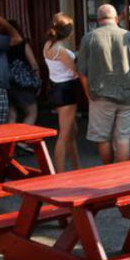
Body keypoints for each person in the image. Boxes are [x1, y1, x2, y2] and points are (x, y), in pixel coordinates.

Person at [77, 4, 130, 164]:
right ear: (116, 18)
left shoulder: (89, 38)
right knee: (123, 137)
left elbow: (82, 72)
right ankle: (121, 174)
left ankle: (108, 171)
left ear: (97, 20)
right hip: (128, 94)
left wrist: (88, 94)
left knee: (103, 138)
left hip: (100, 95)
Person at [43, 13, 82, 172]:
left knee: (72, 131)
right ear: (69, 32)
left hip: (56, 87)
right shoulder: (61, 51)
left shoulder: (48, 45)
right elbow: (76, 71)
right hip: (66, 89)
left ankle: (76, 168)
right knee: (64, 135)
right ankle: (58, 173)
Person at [6, 19, 40, 132]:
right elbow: (34, 64)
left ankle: (9, 143)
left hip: (7, 83)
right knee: (32, 112)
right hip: (22, 84)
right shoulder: (22, 45)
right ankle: (22, 139)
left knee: (11, 115)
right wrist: (37, 81)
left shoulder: (2, 46)